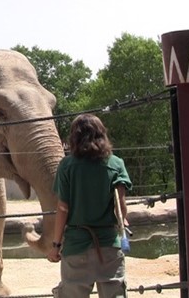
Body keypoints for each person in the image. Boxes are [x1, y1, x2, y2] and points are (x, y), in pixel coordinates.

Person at [47, 114, 132, 298]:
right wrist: (122, 220)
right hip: (109, 246)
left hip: (76, 247)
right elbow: (121, 208)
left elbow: (63, 209)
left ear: (74, 137)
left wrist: (56, 245)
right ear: (102, 134)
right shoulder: (116, 164)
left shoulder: (67, 165)